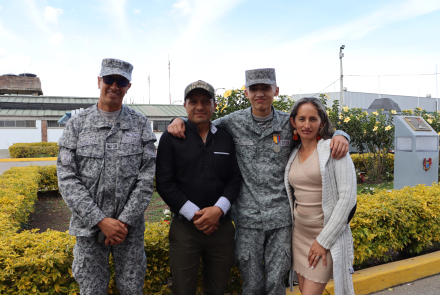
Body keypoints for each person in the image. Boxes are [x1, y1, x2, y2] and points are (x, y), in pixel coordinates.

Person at [167, 68, 350, 294]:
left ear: (276, 90)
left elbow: (317, 128)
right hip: (247, 220)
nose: (260, 94)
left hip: (281, 220)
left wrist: (342, 134)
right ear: (246, 92)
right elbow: (202, 121)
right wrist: (178, 120)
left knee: (275, 283)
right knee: (251, 285)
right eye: (254, 89)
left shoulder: (289, 122)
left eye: (266, 88)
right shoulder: (233, 122)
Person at [57, 58, 157, 295]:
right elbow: (67, 177)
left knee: (132, 290)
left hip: (129, 230)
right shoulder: (77, 125)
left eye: (121, 81)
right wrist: (100, 220)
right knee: (92, 291)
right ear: (99, 81)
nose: (114, 85)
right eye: (109, 79)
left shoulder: (141, 124)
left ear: (128, 86)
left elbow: (147, 177)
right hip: (88, 229)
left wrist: (122, 222)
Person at [156, 80, 242, 295]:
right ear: (185, 105)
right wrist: (194, 215)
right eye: (193, 101)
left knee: (217, 289)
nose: (199, 106)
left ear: (214, 105)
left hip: (220, 228)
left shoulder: (225, 137)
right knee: (183, 289)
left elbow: (234, 179)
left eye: (206, 101)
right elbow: (164, 183)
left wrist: (218, 210)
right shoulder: (170, 138)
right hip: (185, 229)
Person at [285, 97, 356, 295]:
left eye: (313, 119)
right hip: (298, 236)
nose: (306, 125)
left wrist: (323, 241)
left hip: (325, 236)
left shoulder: (334, 149)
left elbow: (348, 200)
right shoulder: (292, 152)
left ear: (322, 122)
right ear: (293, 122)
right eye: (301, 119)